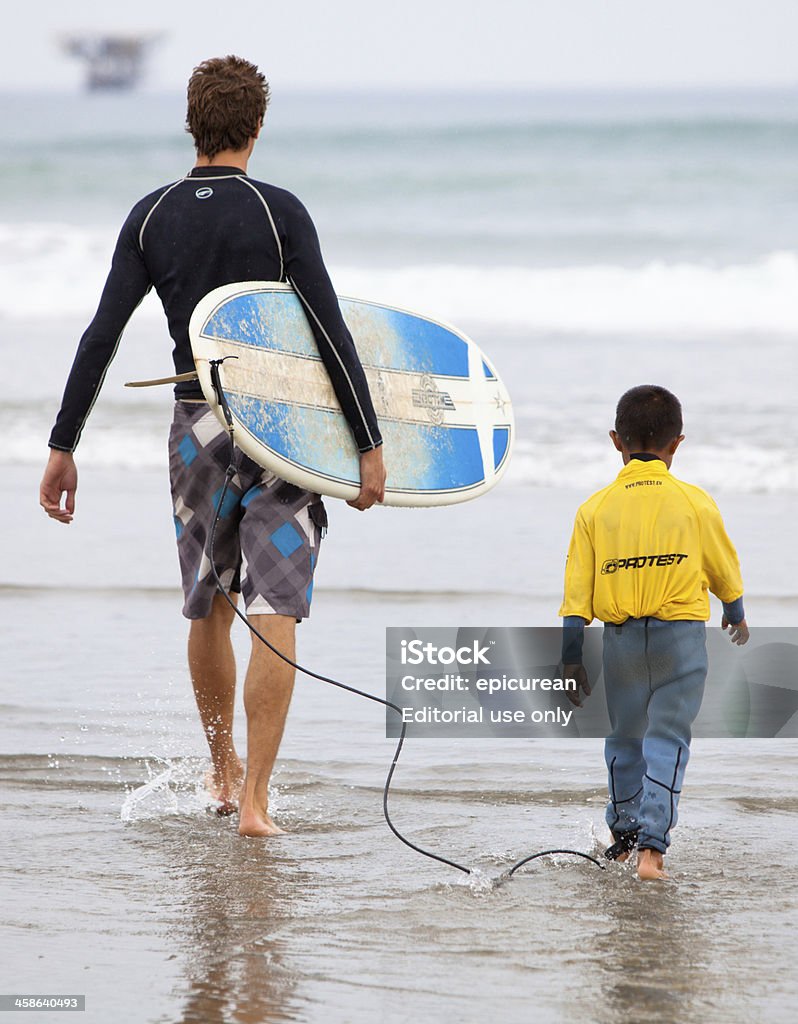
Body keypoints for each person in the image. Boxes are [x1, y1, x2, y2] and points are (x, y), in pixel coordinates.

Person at [39, 55, 386, 838]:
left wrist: (64, 444)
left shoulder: (152, 214)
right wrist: (367, 442)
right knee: (277, 604)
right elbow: (331, 333)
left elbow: (102, 335)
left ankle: (221, 770)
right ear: (257, 127)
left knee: (211, 603)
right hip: (282, 428)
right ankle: (257, 801)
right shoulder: (280, 212)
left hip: (197, 423)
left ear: (191, 125)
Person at [559, 385, 748, 880]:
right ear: (676, 444)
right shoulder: (694, 502)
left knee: (623, 740)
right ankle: (652, 853)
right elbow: (723, 566)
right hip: (680, 639)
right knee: (667, 738)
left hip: (621, 641)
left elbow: (577, 593)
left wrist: (571, 656)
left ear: (615, 441)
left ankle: (622, 840)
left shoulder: (594, 509)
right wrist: (735, 609)